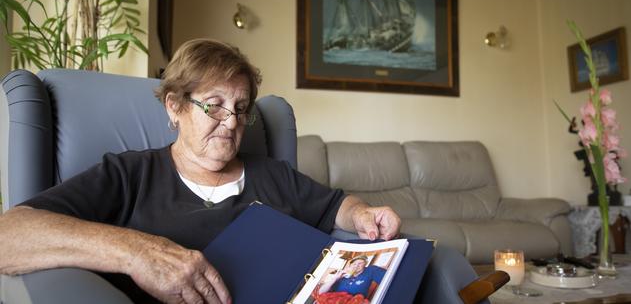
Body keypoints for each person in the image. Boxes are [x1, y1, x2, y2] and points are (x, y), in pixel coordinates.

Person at [0, 39, 401, 304]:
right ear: (174, 106)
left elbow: (336, 206)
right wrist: (136, 252)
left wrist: (362, 213)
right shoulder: (129, 174)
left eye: (241, 108)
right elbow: (9, 236)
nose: (230, 122)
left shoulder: (273, 174)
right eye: (213, 105)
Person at [317, 255, 385, 299]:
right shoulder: (342, 277)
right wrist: (334, 278)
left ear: (365, 265)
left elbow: (385, 279)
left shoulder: (370, 270)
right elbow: (321, 292)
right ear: (350, 265)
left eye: (360, 263)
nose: (356, 265)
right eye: (354, 263)